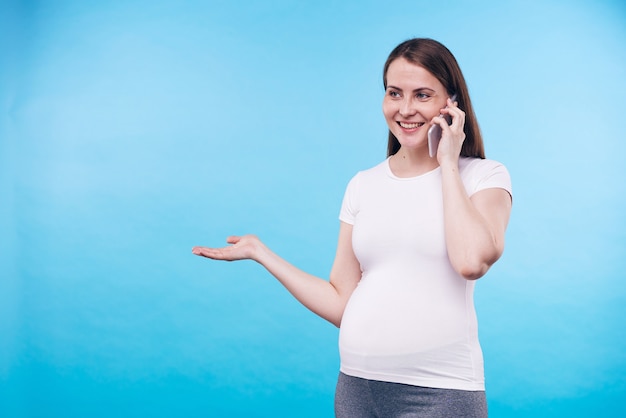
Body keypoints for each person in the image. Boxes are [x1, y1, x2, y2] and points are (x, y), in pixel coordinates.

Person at [192, 38, 512, 417]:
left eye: (422, 95)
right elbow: (342, 300)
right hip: (357, 388)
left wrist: (447, 162)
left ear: (451, 103)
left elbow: (471, 261)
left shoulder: (483, 177)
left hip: (441, 392)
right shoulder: (363, 184)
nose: (405, 109)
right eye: (394, 93)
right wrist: (261, 254)